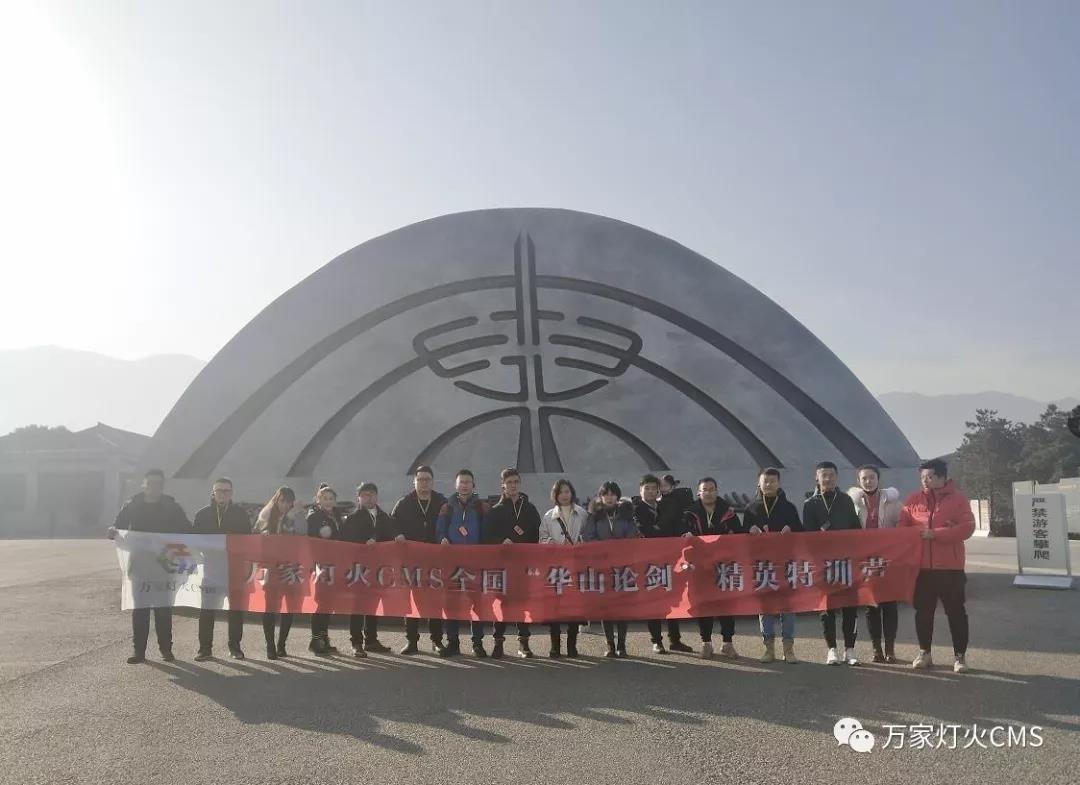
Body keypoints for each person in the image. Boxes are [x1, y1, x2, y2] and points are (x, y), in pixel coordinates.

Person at [899, 459, 976, 673]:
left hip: (950, 568)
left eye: (930, 477)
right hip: (922, 569)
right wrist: (913, 533)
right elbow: (902, 526)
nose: (925, 481)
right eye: (922, 477)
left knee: (956, 613)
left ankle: (960, 656)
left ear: (942, 477)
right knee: (923, 613)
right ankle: (925, 652)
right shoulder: (913, 500)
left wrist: (937, 534)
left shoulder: (958, 499)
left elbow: (968, 527)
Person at [109, 468, 190, 664]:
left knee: (163, 610)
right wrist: (112, 531)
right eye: (151, 483)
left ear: (162, 485)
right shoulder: (132, 505)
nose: (154, 487)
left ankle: (166, 650)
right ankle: (139, 651)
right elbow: (118, 526)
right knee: (140, 610)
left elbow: (187, 529)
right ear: (144, 484)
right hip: (140, 565)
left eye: (158, 483)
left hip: (164, 565)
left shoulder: (172, 506)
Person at [802, 461, 862, 666]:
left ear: (836, 477)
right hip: (823, 565)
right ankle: (832, 649)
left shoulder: (845, 500)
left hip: (846, 563)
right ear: (816, 477)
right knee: (827, 609)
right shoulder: (810, 504)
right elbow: (807, 537)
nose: (827, 479)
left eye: (831, 475)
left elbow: (856, 529)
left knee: (850, 608)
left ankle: (850, 650)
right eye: (823, 475)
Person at [743, 467, 803, 663]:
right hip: (762, 566)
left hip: (785, 563)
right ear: (759, 483)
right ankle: (768, 648)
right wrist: (749, 529)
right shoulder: (751, 508)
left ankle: (789, 648)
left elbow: (801, 531)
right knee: (765, 608)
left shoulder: (789, 507)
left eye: (772, 481)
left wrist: (791, 528)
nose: (768, 484)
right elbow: (742, 535)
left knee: (788, 607)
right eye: (765, 481)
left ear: (778, 483)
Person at [482, 468, 542, 658]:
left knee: (523, 604)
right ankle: (498, 643)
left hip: (523, 566)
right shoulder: (495, 511)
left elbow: (537, 535)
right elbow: (486, 537)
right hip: (502, 566)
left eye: (516, 482)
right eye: (509, 482)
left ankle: (523, 643)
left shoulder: (530, 509)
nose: (513, 485)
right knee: (502, 604)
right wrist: (501, 541)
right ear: (503, 485)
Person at [191, 477, 253, 661]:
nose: (222, 494)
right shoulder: (202, 515)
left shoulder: (240, 514)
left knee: (235, 610)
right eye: (219, 490)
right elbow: (193, 540)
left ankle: (235, 648)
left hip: (234, 569)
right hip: (211, 569)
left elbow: (248, 540)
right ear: (213, 493)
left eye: (226, 491)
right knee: (207, 610)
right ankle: (204, 649)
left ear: (231, 493)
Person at [390, 465, 448, 655]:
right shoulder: (404, 503)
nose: (424, 483)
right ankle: (412, 641)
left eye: (427, 479)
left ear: (432, 482)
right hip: (411, 561)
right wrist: (397, 533)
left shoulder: (441, 501)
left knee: (434, 602)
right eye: (420, 479)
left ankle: (437, 641)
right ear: (414, 482)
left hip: (435, 561)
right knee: (412, 601)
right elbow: (392, 522)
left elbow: (450, 523)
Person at [683, 477, 742, 659]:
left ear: (717, 491)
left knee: (726, 605)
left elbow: (739, 536)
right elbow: (681, 538)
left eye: (711, 489)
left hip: (723, 566)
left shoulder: (729, 513)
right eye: (705, 490)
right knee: (703, 605)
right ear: (698, 492)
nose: (708, 492)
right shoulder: (689, 514)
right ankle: (706, 643)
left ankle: (727, 643)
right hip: (699, 567)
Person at [848, 465, 902, 663]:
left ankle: (890, 649)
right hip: (865, 561)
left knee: (890, 605)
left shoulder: (893, 502)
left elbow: (903, 525)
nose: (868, 481)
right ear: (859, 481)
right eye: (864, 478)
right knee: (871, 606)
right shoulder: (853, 503)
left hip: (888, 560)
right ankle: (876, 649)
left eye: (872, 477)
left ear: (879, 479)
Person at [635, 474, 692, 654]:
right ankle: (656, 641)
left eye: (654, 488)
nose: (651, 492)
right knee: (653, 601)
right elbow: (643, 531)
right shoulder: (636, 509)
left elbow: (676, 526)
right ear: (640, 490)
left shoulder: (666, 506)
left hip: (669, 560)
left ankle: (675, 640)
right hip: (649, 562)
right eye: (647, 488)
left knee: (673, 599)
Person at [435, 469, 488, 657]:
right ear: (456, 485)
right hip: (453, 563)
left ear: (473, 485)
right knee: (452, 602)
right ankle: (453, 642)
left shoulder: (482, 507)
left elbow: (487, 532)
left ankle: (477, 643)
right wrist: (442, 538)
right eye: (461, 482)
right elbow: (440, 530)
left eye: (468, 482)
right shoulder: (447, 507)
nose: (464, 485)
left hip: (475, 562)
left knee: (477, 603)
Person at [581, 481, 638, 658]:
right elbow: (588, 536)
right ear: (601, 496)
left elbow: (632, 536)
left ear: (618, 496)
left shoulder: (627, 514)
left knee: (622, 607)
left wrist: (617, 549)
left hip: (623, 568)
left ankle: (621, 644)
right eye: (606, 494)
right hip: (602, 567)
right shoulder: (595, 516)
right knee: (605, 607)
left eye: (613, 494)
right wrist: (605, 549)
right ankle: (610, 644)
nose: (609, 497)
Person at [342, 482, 396, 656]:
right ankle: (356, 642)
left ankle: (371, 640)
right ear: (358, 498)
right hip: (359, 569)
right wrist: (363, 543)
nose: (368, 498)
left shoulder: (385, 517)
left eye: (371, 494)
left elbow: (391, 537)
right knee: (358, 606)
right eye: (364, 495)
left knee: (373, 605)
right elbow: (345, 542)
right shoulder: (352, 519)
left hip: (377, 569)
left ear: (377, 496)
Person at [539, 478, 587, 658]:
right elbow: (542, 538)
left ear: (572, 493)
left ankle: (572, 645)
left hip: (576, 565)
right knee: (555, 607)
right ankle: (555, 646)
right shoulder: (548, 515)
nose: (564, 495)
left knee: (574, 607)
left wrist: (578, 543)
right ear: (555, 495)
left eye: (567, 491)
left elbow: (589, 535)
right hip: (556, 567)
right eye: (560, 492)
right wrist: (556, 544)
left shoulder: (582, 513)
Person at [254, 486, 298, 659]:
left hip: (291, 567)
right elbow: (254, 536)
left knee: (289, 607)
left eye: (289, 502)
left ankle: (282, 644)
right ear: (276, 500)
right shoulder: (265, 516)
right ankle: (270, 645)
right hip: (271, 567)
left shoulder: (295, 517)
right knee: (270, 607)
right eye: (282, 501)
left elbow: (304, 538)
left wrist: (293, 518)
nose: (285, 505)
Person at [307, 483, 345, 656]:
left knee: (329, 602)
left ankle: (324, 637)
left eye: (331, 498)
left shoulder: (337, 516)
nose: (328, 501)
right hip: (321, 565)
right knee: (321, 601)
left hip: (335, 564)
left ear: (335, 501)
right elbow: (312, 541)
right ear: (318, 500)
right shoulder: (314, 517)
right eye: (324, 498)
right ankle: (315, 640)